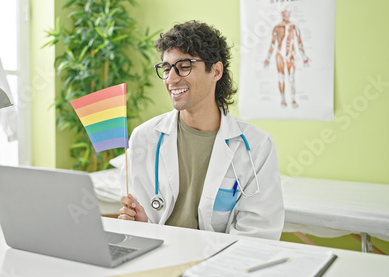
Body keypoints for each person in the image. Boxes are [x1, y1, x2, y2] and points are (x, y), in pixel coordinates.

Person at [118, 21, 284, 240]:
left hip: (218, 265)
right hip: (155, 258)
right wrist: (141, 224)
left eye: (184, 66)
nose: (171, 79)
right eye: (166, 69)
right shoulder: (144, 138)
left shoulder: (256, 146)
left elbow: (259, 233)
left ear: (215, 71)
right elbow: (141, 220)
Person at [264, 8, 309, 108]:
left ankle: (293, 99)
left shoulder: (294, 27)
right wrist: (268, 58)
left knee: (291, 78)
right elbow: (272, 44)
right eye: (284, 13)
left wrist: (304, 57)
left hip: (291, 55)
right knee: (281, 78)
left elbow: (299, 42)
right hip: (280, 55)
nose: (286, 15)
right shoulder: (277, 27)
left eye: (287, 13)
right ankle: (283, 99)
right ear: (282, 14)